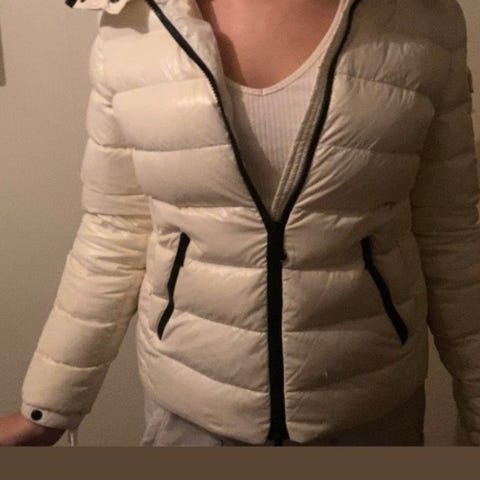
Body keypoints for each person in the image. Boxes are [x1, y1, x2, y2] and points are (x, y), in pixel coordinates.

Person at [1, 0, 479, 447]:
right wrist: (48, 407)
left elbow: (450, 233)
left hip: (369, 412)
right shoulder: (133, 24)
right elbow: (114, 231)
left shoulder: (421, 18)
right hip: (191, 415)